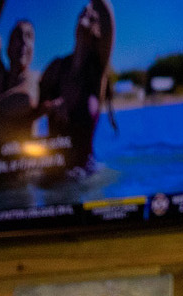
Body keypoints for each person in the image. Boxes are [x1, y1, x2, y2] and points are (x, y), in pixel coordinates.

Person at [40, 0, 117, 174]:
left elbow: (107, 13)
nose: (87, 10)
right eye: (83, 10)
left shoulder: (98, 72)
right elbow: (34, 109)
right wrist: (51, 107)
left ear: (98, 29)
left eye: (93, 13)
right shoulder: (56, 67)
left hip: (84, 175)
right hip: (52, 173)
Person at [0, 0, 40, 159]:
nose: (24, 42)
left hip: (26, 171)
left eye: (29, 37)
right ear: (8, 48)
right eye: (18, 36)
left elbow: (27, 99)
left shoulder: (34, 78)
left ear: (33, 50)